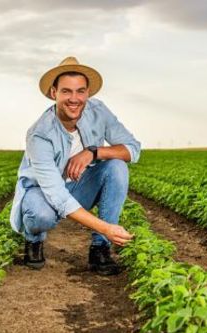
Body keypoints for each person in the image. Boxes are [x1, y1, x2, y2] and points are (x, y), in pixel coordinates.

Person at [10, 56, 141, 276]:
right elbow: (57, 196)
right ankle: (34, 239)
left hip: (81, 186)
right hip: (43, 193)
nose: (74, 99)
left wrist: (93, 152)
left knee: (117, 166)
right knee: (41, 215)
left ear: (88, 93)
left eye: (80, 91)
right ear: (54, 93)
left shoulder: (98, 111)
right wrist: (107, 228)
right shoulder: (39, 134)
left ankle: (100, 248)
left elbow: (133, 148)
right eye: (66, 91)